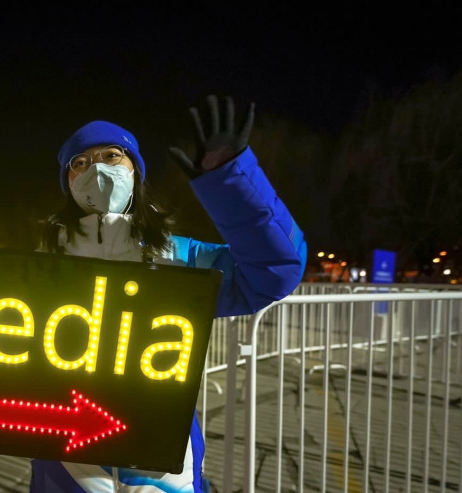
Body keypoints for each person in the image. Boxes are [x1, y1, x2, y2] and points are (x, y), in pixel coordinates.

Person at [31, 95, 307, 492]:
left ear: (135, 171)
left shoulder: (178, 257)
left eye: (112, 155)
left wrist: (231, 182)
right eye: (80, 162)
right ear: (68, 182)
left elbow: (274, 271)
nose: (97, 168)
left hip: (162, 460)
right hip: (67, 457)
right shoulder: (40, 265)